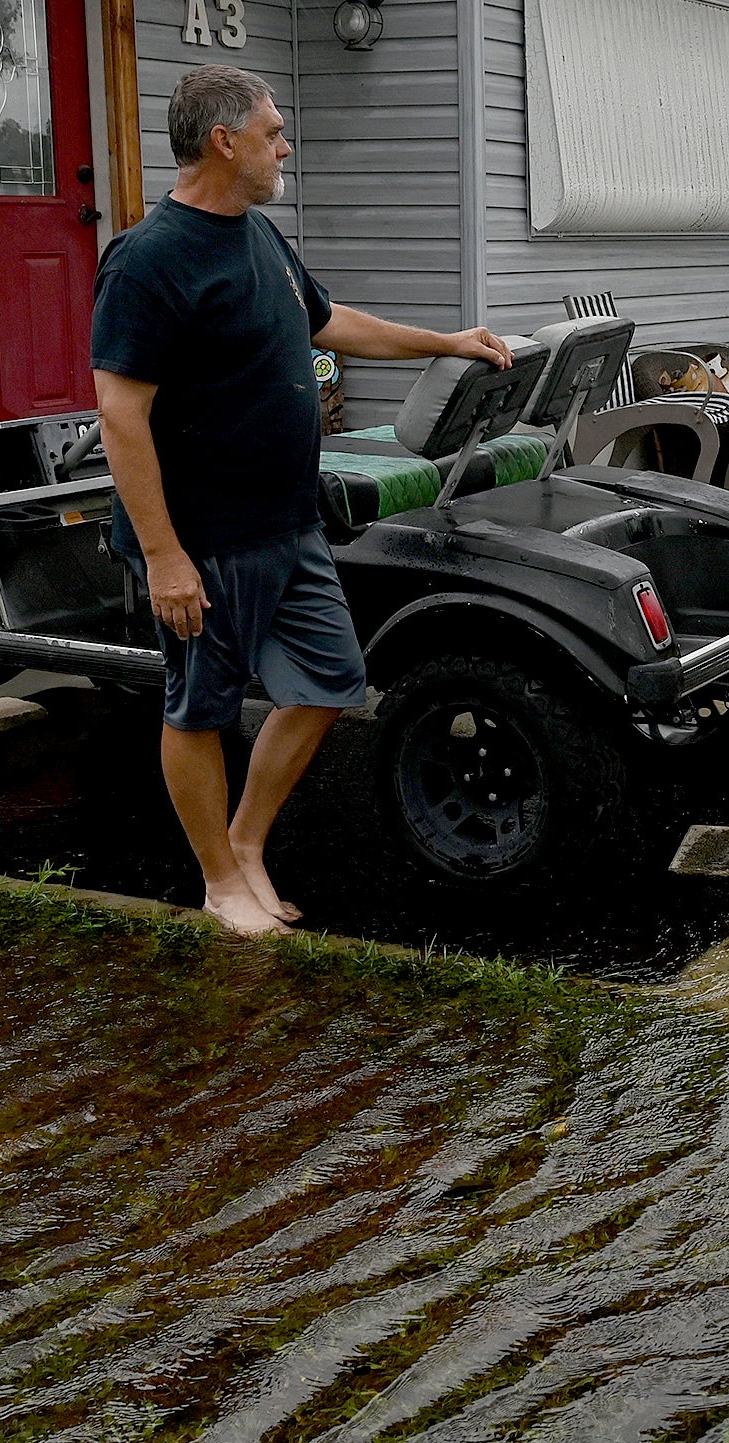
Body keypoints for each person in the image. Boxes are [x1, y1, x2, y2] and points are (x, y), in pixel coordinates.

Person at [91, 64, 510, 937]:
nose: (284, 146)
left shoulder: (260, 238)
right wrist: (163, 554)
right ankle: (218, 881)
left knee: (329, 681)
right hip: (206, 541)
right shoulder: (148, 260)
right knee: (198, 705)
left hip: (289, 523)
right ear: (224, 140)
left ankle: (247, 842)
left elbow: (329, 321)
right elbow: (121, 412)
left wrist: (448, 341)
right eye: (274, 132)